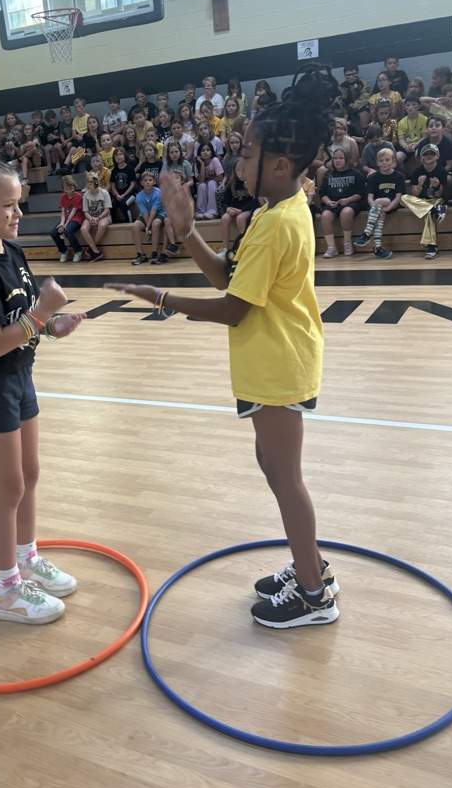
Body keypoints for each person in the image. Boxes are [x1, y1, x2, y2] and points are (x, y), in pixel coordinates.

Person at [106, 64, 341, 629]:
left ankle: (315, 595)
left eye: (247, 155)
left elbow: (233, 308)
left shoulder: (281, 222)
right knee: (274, 467)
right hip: (272, 357)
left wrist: (160, 296)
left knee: (287, 479)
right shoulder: (273, 211)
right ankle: (310, 565)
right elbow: (228, 281)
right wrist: (186, 230)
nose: (238, 165)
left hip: (278, 361)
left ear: (280, 165)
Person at [0, 157, 85, 624]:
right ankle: (5, 589)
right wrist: (43, 313)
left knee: (30, 474)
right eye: (7, 206)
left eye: (19, 204)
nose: (18, 214)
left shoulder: (14, 253)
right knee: (8, 487)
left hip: (20, 377)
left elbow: (22, 323)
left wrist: (52, 326)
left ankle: (26, 559)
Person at [354, 147, 405, 259]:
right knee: (379, 216)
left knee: (380, 201)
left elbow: (398, 197)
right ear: (377, 163)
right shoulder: (373, 177)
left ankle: (366, 233)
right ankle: (377, 248)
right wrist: (376, 208)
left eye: (387, 160)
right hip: (377, 207)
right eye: (381, 161)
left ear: (393, 161)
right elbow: (369, 198)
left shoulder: (399, 176)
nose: (384, 163)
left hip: (392, 203)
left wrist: (387, 208)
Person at [402, 144, 447, 260]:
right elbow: (414, 194)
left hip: (436, 200)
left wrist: (437, 186)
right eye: (425, 154)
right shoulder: (417, 171)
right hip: (422, 201)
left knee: (429, 214)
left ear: (437, 156)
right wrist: (420, 185)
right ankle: (433, 210)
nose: (428, 156)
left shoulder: (441, 171)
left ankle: (432, 247)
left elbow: (439, 194)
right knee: (403, 198)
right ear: (421, 157)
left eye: (431, 154)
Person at [318, 147, 366, 257]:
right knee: (325, 216)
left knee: (346, 213)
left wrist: (348, 200)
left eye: (341, 158)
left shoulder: (355, 174)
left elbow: (360, 193)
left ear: (347, 159)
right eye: (335, 158)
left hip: (351, 202)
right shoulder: (329, 174)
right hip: (332, 203)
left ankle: (347, 243)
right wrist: (329, 202)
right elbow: (322, 193)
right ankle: (331, 247)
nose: (337, 160)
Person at [130, 171, 166, 265]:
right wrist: (147, 227)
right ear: (141, 183)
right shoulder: (139, 196)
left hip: (159, 213)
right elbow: (145, 212)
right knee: (135, 227)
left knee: (155, 223)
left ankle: (155, 254)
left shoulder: (159, 193)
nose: (148, 182)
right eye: (145, 180)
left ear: (154, 182)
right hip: (146, 215)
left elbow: (154, 210)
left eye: (150, 180)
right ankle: (140, 254)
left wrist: (149, 226)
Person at [50, 175, 85, 262]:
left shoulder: (78, 196)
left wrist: (65, 225)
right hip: (66, 218)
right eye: (66, 189)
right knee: (53, 232)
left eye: (71, 188)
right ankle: (64, 251)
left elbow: (73, 212)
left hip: (76, 218)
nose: (69, 191)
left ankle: (78, 251)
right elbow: (63, 213)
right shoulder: (63, 197)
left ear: (74, 186)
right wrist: (62, 223)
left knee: (68, 231)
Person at [80, 171, 112, 262]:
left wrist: (99, 218)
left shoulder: (104, 192)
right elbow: (85, 211)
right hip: (90, 216)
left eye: (95, 181)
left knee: (102, 225)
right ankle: (96, 251)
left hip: (104, 216)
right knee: (83, 228)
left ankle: (92, 249)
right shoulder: (86, 195)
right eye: (90, 182)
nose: (93, 184)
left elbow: (107, 209)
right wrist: (90, 218)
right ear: (87, 183)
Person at [194, 142, 224, 219]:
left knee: (211, 183)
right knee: (202, 186)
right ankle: (200, 212)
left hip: (216, 185)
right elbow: (201, 180)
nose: (205, 152)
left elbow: (220, 177)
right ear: (199, 153)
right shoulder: (197, 164)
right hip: (205, 184)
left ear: (212, 152)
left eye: (208, 150)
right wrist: (202, 164)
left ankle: (213, 212)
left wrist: (210, 179)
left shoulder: (215, 160)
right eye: (203, 150)